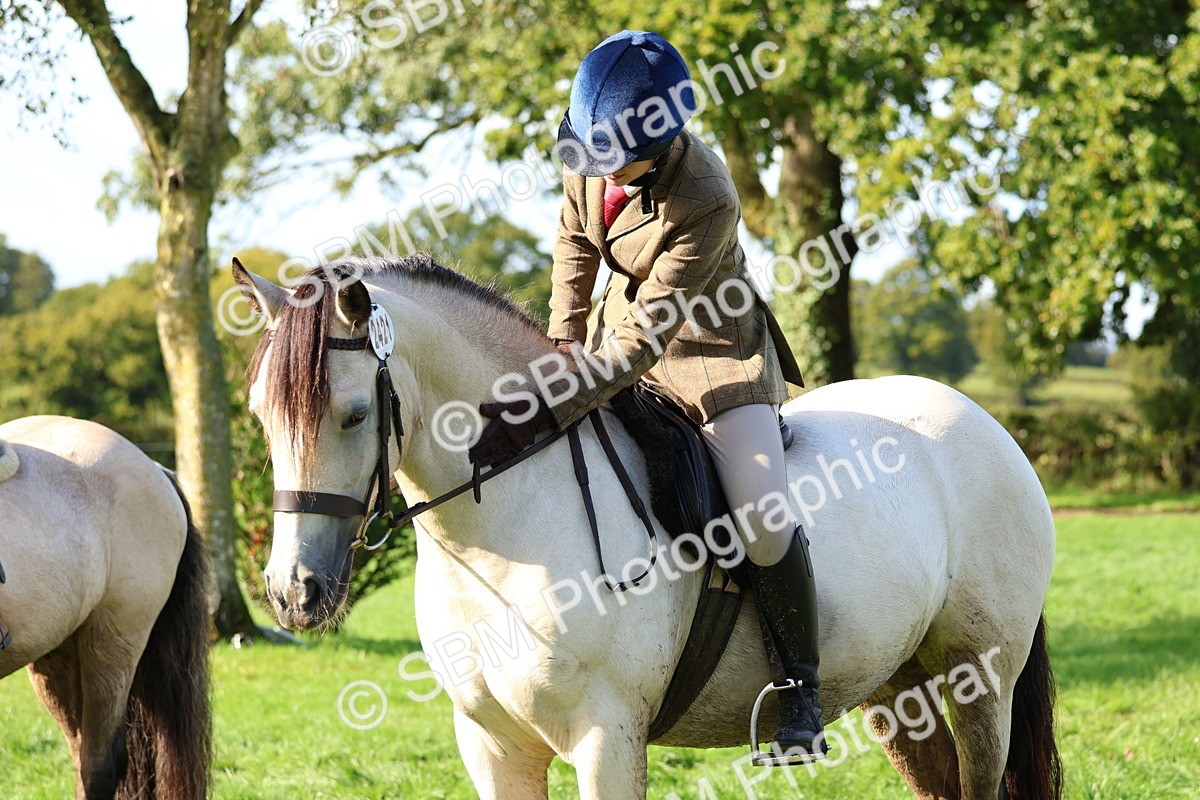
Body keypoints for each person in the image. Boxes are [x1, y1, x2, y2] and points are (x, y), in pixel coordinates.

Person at [468, 30, 826, 761]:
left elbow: (649, 338)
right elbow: (574, 244)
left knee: (760, 517)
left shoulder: (707, 195)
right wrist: (559, 345)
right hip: (612, 336)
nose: (596, 171)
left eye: (613, 161)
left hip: (711, 353)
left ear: (660, 146)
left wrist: (553, 403)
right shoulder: (590, 152)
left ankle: (801, 687)